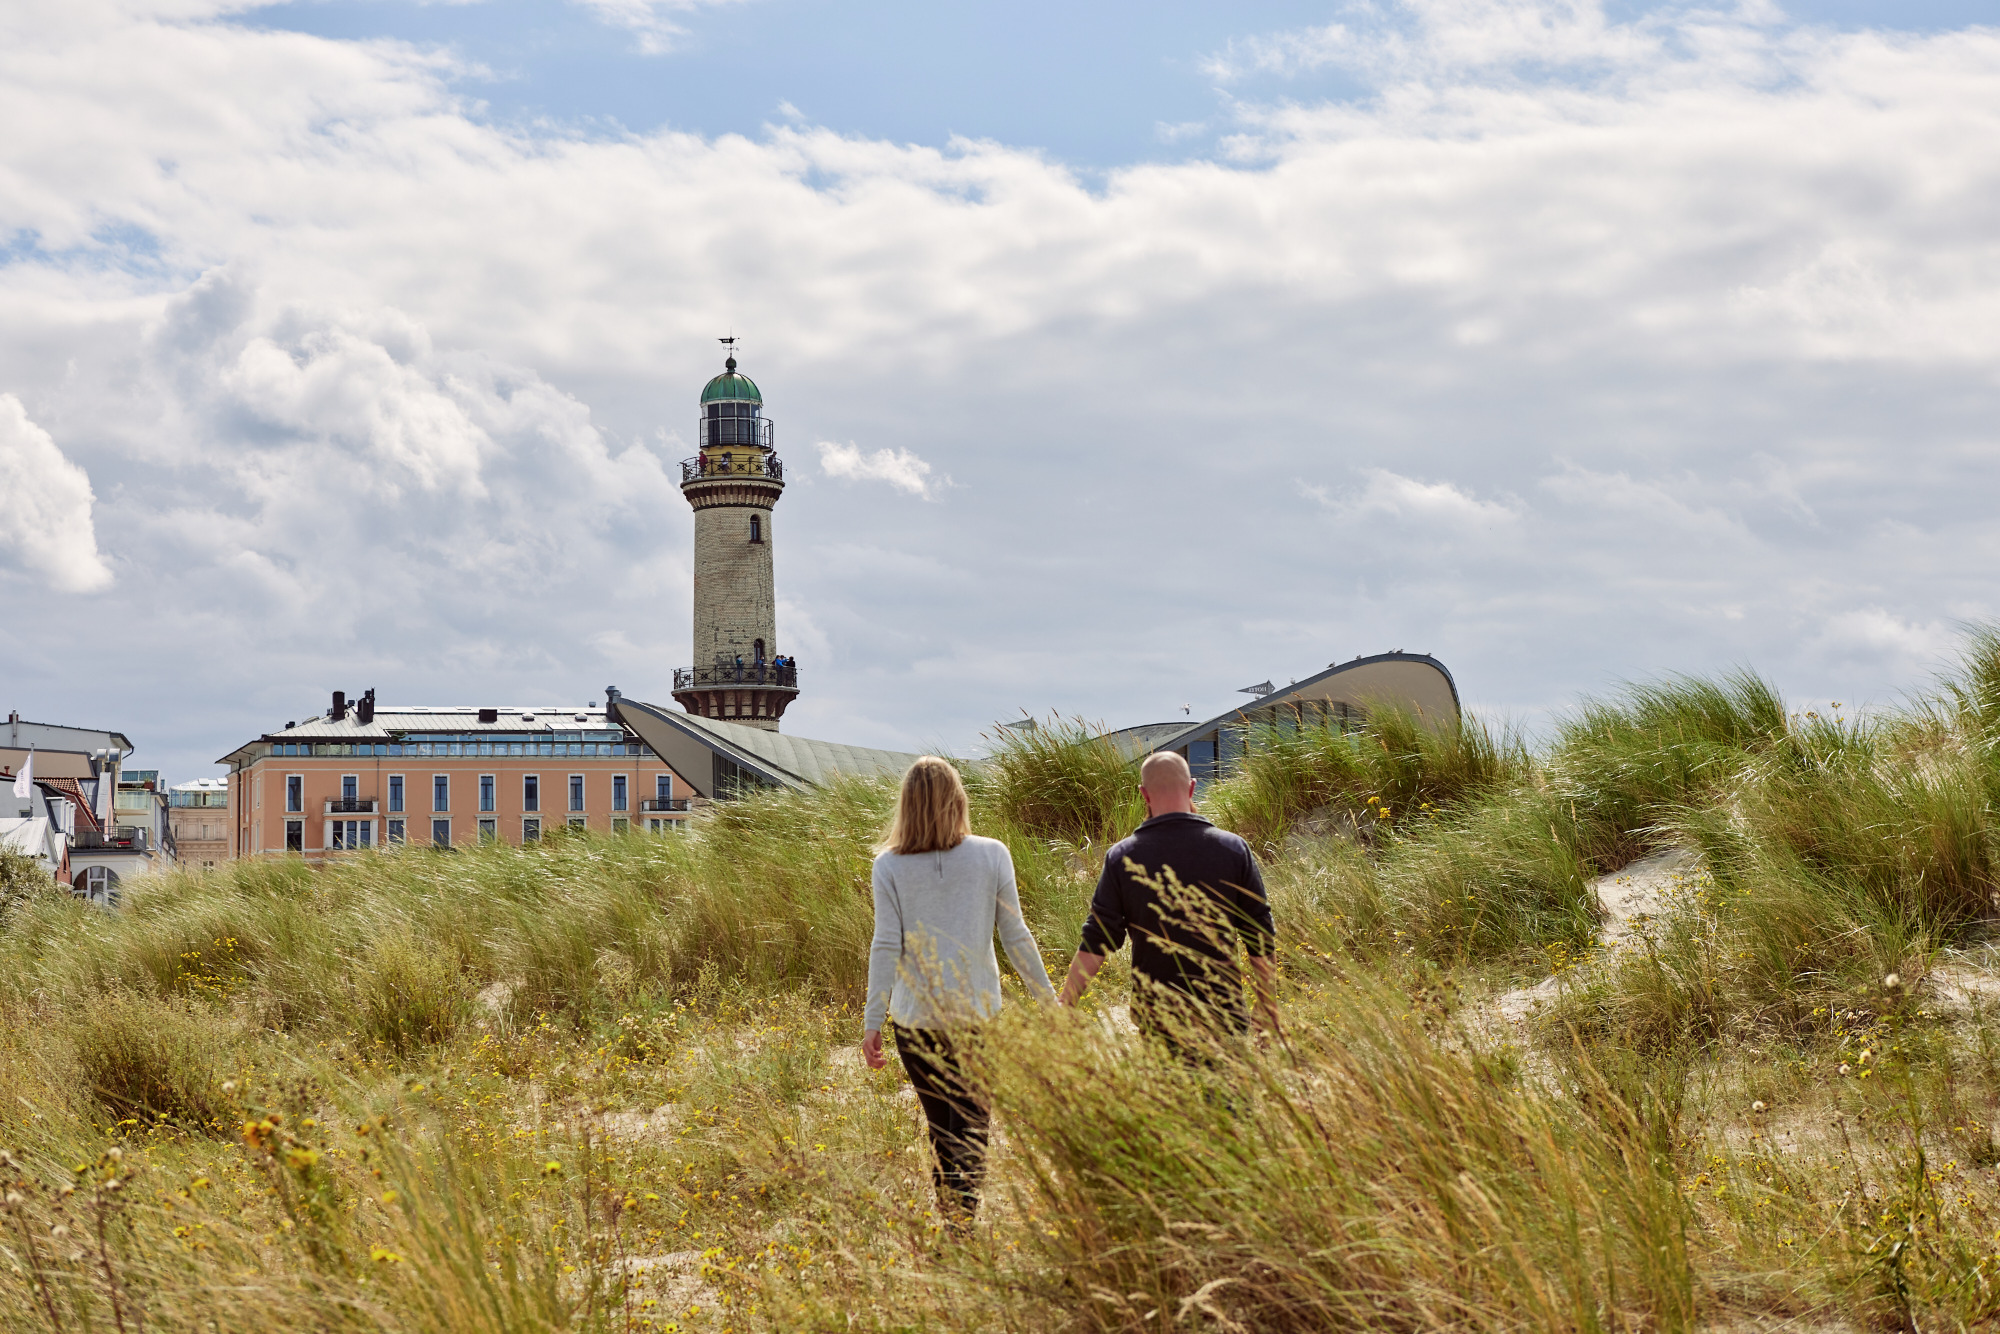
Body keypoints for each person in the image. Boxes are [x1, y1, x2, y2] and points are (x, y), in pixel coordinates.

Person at [863, 756, 1056, 1227]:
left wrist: (873, 1021)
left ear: (906, 806)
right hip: (976, 1016)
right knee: (971, 1124)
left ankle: (954, 1219)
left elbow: (886, 943)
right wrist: (1048, 1003)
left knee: (941, 1125)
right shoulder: (992, 854)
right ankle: (960, 1223)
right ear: (958, 799)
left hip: (915, 1020)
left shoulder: (888, 864)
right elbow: (1016, 935)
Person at [1058, 751, 1278, 1057]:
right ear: (1191, 788)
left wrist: (1065, 1004)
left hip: (1158, 1018)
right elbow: (1259, 932)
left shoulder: (1124, 857)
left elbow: (1098, 938)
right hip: (1224, 1016)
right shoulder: (1232, 849)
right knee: (1230, 1103)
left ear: (1144, 795)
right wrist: (1267, 1006)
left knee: (1172, 1104)